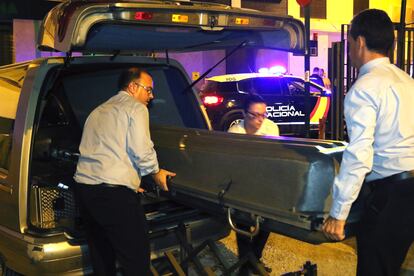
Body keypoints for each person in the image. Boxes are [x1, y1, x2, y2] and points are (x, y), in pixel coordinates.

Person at [322, 9, 414, 276]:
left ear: (359, 42)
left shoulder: (364, 88)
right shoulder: (407, 81)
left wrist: (338, 214)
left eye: (349, 42)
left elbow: (359, 154)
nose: (348, 49)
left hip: (390, 196)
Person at [74, 68, 176, 276]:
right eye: (148, 90)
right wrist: (155, 172)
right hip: (113, 196)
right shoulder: (136, 108)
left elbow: (106, 150)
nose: (151, 96)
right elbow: (141, 149)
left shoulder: (99, 110)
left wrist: (129, 179)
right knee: (135, 259)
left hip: (85, 191)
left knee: (102, 257)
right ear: (132, 87)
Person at [228, 94, 279, 275]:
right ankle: (247, 263)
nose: (259, 120)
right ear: (243, 113)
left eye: (263, 115)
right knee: (242, 223)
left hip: (264, 181)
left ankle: (252, 260)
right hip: (242, 183)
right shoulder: (235, 132)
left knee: (266, 222)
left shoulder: (271, 128)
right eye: (254, 115)